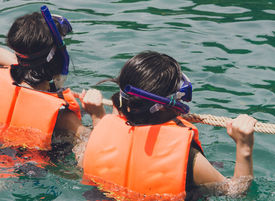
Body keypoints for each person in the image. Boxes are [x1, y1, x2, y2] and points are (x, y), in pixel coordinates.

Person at [79, 51, 257, 200]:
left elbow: (83, 162)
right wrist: (244, 147)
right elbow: (236, 192)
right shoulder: (190, 160)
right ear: (164, 106)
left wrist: (97, 117)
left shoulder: (99, 134)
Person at [0, 6, 89, 153]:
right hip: (32, 169)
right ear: (57, 60)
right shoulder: (63, 116)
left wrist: (21, 64)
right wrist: (97, 114)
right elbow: (96, 147)